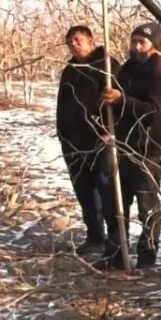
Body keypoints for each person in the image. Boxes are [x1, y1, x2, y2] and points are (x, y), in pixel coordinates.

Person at [99, 22, 161, 270]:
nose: (136, 47)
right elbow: (114, 103)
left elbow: (154, 113)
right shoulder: (126, 71)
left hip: (148, 150)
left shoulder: (160, 77)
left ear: (155, 47)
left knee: (147, 207)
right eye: (134, 42)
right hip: (122, 146)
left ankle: (146, 258)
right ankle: (116, 254)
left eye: (142, 42)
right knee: (116, 203)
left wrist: (123, 100)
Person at [55, 24, 120, 254]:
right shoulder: (70, 70)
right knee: (84, 191)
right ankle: (95, 236)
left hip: (101, 139)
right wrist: (62, 133)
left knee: (106, 190)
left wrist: (111, 131)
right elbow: (62, 102)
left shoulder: (107, 66)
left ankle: (116, 240)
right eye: (69, 41)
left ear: (92, 42)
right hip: (73, 141)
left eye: (77, 39)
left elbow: (119, 101)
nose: (73, 44)